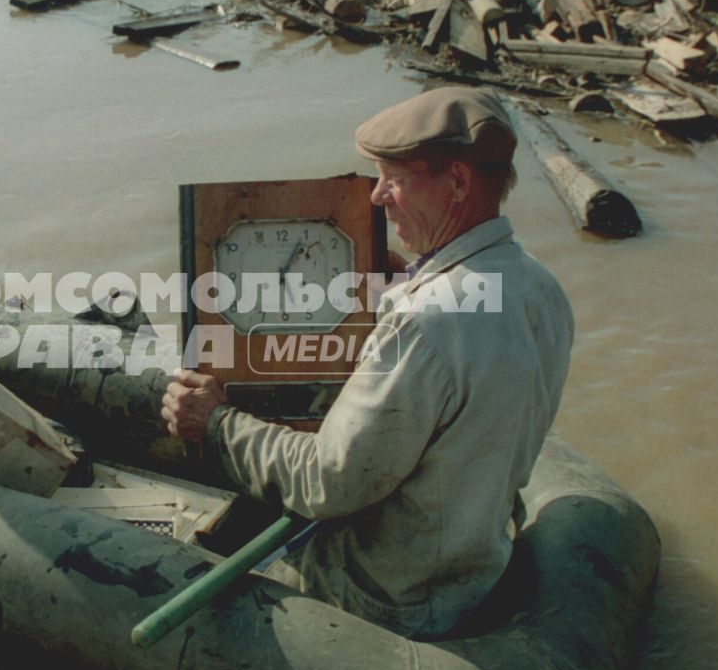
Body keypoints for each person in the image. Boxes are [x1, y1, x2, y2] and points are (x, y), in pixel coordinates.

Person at [160, 87, 573, 639]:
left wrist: (216, 424)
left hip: (387, 599)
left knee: (175, 550)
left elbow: (328, 484)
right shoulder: (538, 287)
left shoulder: (427, 323)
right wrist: (417, 277)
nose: (376, 197)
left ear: (457, 182)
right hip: (471, 571)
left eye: (394, 179)